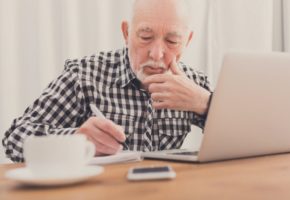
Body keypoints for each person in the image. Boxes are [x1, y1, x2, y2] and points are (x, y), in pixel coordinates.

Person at [2, 0, 212, 162]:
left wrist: (204, 102)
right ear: (126, 32)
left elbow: (242, 137)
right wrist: (75, 139)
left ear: (187, 41)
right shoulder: (85, 76)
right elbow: (15, 139)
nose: (157, 54)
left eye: (172, 41)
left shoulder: (193, 82)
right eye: (146, 37)